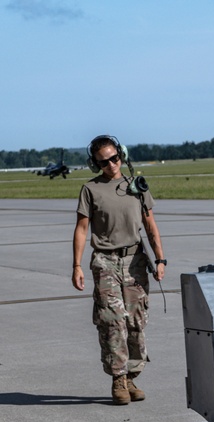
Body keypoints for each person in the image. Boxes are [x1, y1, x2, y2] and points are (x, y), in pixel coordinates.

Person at [72, 135, 166, 406]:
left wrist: (161, 260)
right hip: (105, 261)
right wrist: (77, 265)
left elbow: (150, 226)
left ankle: (132, 376)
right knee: (112, 320)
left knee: (136, 321)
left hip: (134, 260)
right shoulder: (90, 189)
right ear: (95, 164)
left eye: (115, 158)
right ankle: (117, 378)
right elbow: (81, 228)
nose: (112, 164)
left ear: (122, 155)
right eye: (104, 162)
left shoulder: (136, 186)